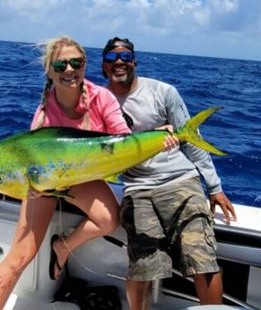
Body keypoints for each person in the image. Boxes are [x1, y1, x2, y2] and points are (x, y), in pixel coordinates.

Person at [0, 36, 133, 310]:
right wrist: (29, 186)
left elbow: (124, 138)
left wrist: (160, 139)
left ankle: (63, 247)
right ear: (50, 71)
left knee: (109, 220)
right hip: (46, 183)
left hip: (83, 178)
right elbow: (25, 159)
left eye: (76, 62)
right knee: (20, 256)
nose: (69, 70)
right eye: (61, 65)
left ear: (84, 65)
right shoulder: (43, 114)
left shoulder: (102, 98)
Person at [101, 37, 237, 310]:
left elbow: (192, 141)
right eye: (112, 58)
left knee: (202, 258)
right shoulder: (99, 102)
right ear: (104, 67)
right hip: (137, 189)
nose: (119, 62)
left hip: (181, 182)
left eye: (125, 57)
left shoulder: (164, 92)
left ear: (134, 62)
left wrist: (215, 187)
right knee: (142, 265)